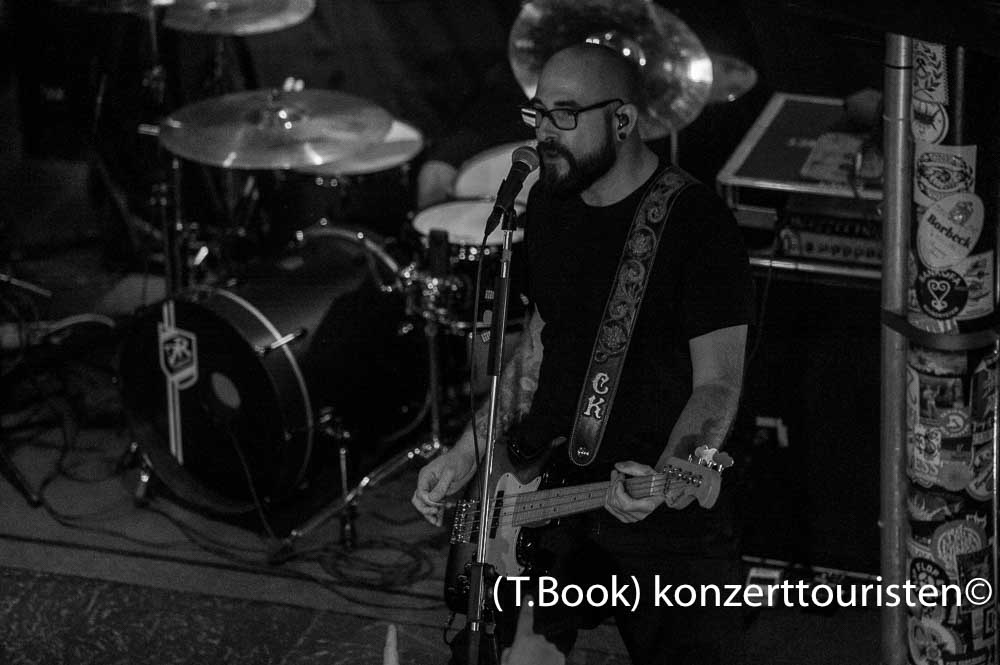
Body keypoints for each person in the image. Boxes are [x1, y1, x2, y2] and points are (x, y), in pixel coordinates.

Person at [412, 43, 753, 665]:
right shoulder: (549, 203)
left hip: (651, 495)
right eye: (538, 114)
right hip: (542, 488)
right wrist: (468, 454)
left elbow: (719, 384)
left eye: (565, 115)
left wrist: (673, 470)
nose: (545, 132)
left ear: (622, 120)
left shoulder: (697, 224)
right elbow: (540, 346)